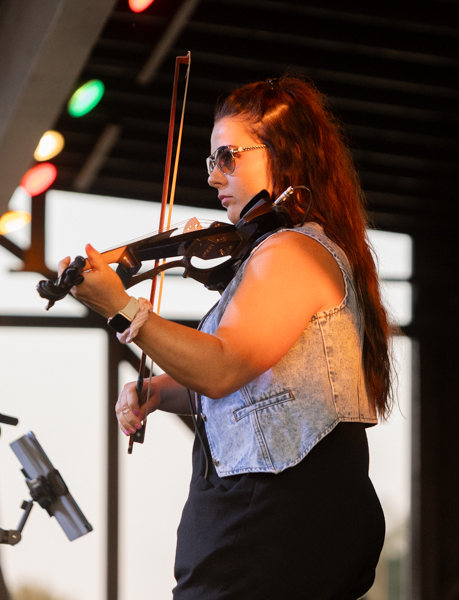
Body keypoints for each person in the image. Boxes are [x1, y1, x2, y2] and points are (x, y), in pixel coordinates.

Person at [59, 76, 395, 599]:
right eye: (211, 161)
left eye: (229, 157)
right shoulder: (274, 252)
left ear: (287, 155)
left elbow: (222, 368)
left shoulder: (292, 252)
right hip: (261, 516)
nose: (215, 177)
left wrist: (123, 308)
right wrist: (159, 391)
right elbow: (256, 389)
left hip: (278, 516)